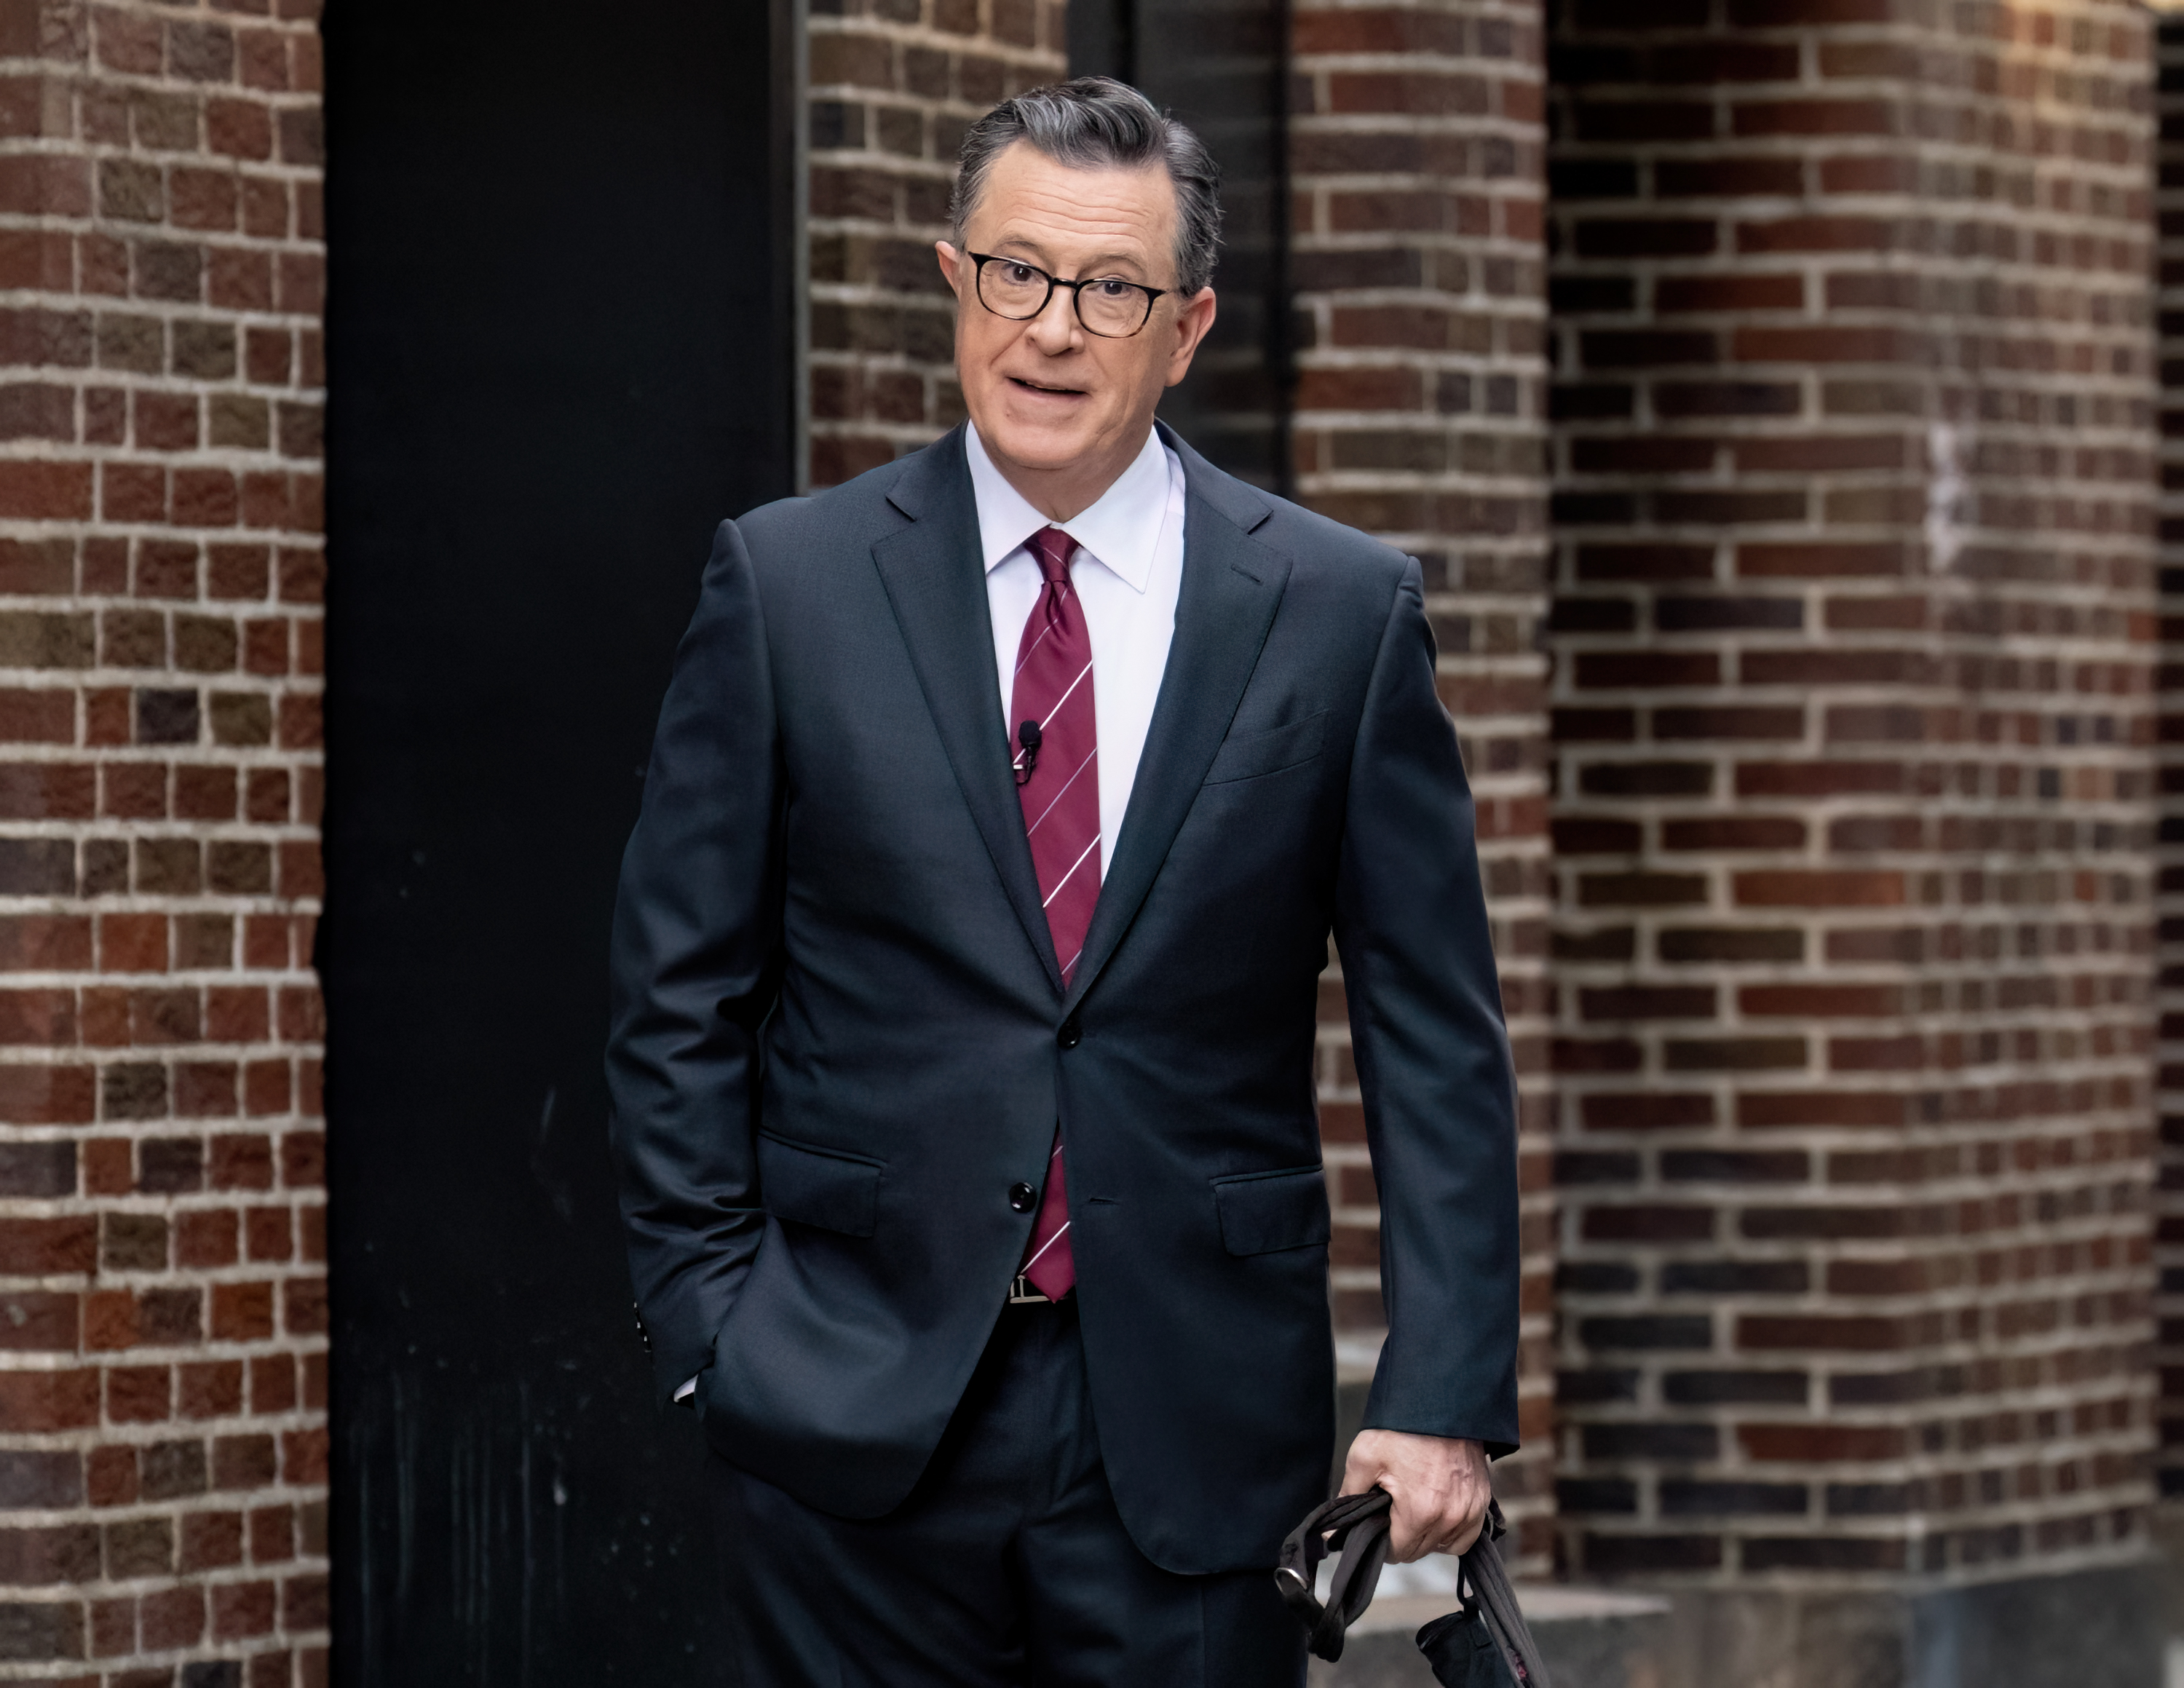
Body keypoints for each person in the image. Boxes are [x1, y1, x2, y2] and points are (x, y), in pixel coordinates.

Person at [606, 75, 1519, 1688]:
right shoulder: (790, 585)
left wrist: (1438, 1387)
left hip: (1194, 1416)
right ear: (957, 283)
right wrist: (714, 1332)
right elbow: (679, 989)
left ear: (1188, 327)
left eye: (1112, 289)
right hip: (848, 1399)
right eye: (1017, 273)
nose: (1052, 329)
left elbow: (1432, 1033)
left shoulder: (1337, 610)